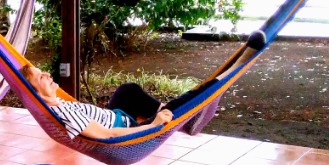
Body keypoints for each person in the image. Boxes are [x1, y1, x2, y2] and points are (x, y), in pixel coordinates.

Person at [20, 31, 266, 140]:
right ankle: (237, 67)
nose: (47, 74)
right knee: (185, 103)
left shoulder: (57, 101)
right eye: (40, 76)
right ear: (35, 92)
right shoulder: (61, 113)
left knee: (127, 90)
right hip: (125, 131)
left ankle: (171, 115)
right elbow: (108, 135)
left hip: (117, 115)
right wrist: (156, 124)